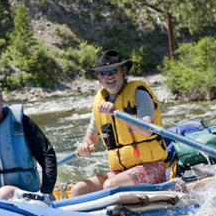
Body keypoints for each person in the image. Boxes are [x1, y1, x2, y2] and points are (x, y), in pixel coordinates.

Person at [71, 49, 168, 196]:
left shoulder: (139, 93)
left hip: (151, 167)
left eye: (113, 71)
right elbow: (90, 138)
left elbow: (148, 129)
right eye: (103, 73)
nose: (108, 77)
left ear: (123, 72)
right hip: (120, 171)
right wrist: (83, 146)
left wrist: (117, 114)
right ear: (99, 78)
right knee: (78, 190)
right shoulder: (100, 102)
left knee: (111, 185)